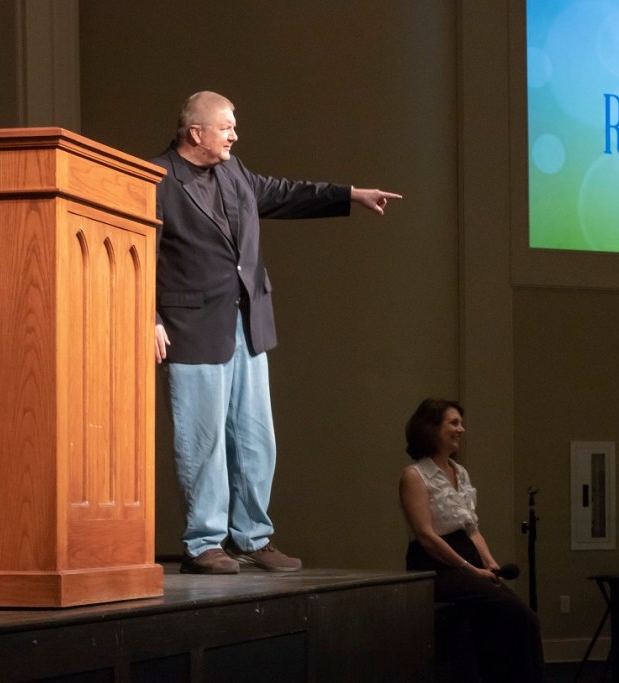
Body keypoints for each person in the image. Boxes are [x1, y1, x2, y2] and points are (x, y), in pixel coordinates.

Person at [153, 91, 401, 575]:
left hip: (247, 323)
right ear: (196, 132)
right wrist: (150, 317)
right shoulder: (158, 179)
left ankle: (252, 537)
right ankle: (204, 542)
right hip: (193, 326)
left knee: (255, 438)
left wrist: (351, 194)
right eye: (226, 127)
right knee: (202, 440)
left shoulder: (235, 172)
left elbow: (287, 192)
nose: (234, 135)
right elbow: (139, 248)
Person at [398, 398, 544, 682]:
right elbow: (426, 537)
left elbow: (472, 530)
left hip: (466, 561)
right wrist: (469, 568)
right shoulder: (414, 475)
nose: (461, 429)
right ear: (430, 428)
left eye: (461, 423)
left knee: (517, 618)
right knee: (518, 615)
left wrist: (490, 565)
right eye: (454, 423)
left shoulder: (460, 472)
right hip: (434, 566)